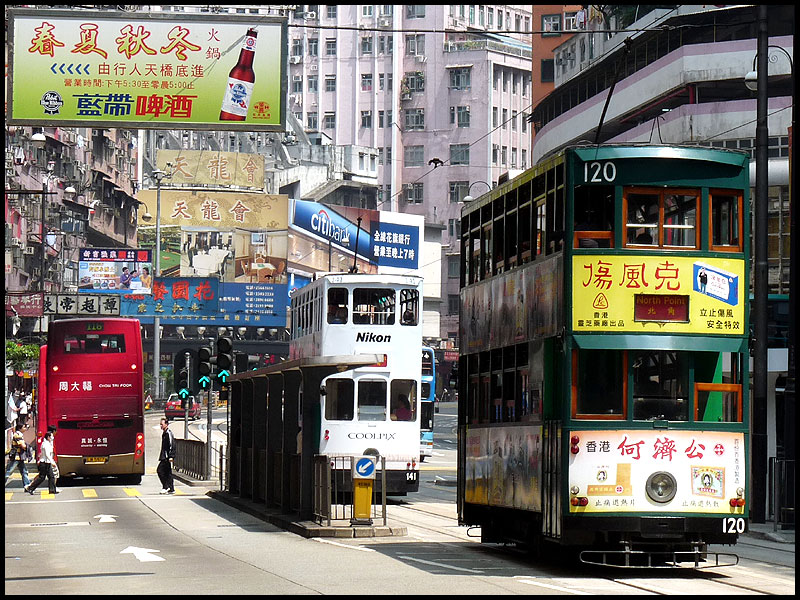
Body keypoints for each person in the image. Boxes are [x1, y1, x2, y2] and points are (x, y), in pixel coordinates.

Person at [25, 427, 58, 495]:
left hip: (47, 463)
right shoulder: (45, 444)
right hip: (44, 463)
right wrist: (52, 462)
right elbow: (47, 454)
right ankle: (30, 488)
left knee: (51, 476)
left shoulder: (48, 443)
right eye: (51, 436)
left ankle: (52, 490)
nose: (53, 437)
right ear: (48, 437)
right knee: (42, 477)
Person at [5, 423, 31, 488]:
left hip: (20, 457)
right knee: (9, 472)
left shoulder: (19, 434)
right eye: (24, 427)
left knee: (24, 471)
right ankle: (27, 485)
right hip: (16, 457)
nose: (25, 428)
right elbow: (23, 446)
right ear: (20, 428)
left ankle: (27, 485)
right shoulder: (17, 435)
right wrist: (27, 447)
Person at [157, 417, 176, 494]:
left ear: (166, 424)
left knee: (160, 471)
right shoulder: (164, 433)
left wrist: (171, 456)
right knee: (168, 473)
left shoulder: (168, 433)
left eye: (162, 424)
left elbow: (172, 445)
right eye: (160, 424)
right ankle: (171, 489)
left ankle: (166, 487)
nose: (161, 426)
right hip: (164, 456)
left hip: (166, 457)